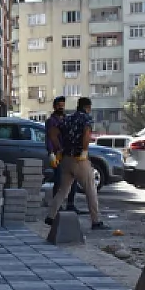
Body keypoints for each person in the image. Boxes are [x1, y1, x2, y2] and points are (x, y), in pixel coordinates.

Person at [45, 97, 105, 229]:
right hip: (79, 160)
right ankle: (95, 221)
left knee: (63, 190)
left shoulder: (67, 119)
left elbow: (52, 133)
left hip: (66, 159)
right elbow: (86, 134)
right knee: (90, 189)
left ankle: (51, 216)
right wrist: (84, 151)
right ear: (88, 107)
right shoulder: (86, 119)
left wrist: (59, 148)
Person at [46, 96, 79, 212]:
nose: (61, 107)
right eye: (59, 105)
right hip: (57, 154)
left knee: (73, 178)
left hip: (69, 153)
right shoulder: (51, 121)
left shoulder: (67, 119)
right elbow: (49, 138)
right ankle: (57, 206)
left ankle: (70, 204)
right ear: (54, 106)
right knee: (59, 179)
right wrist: (51, 153)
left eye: (63, 105)